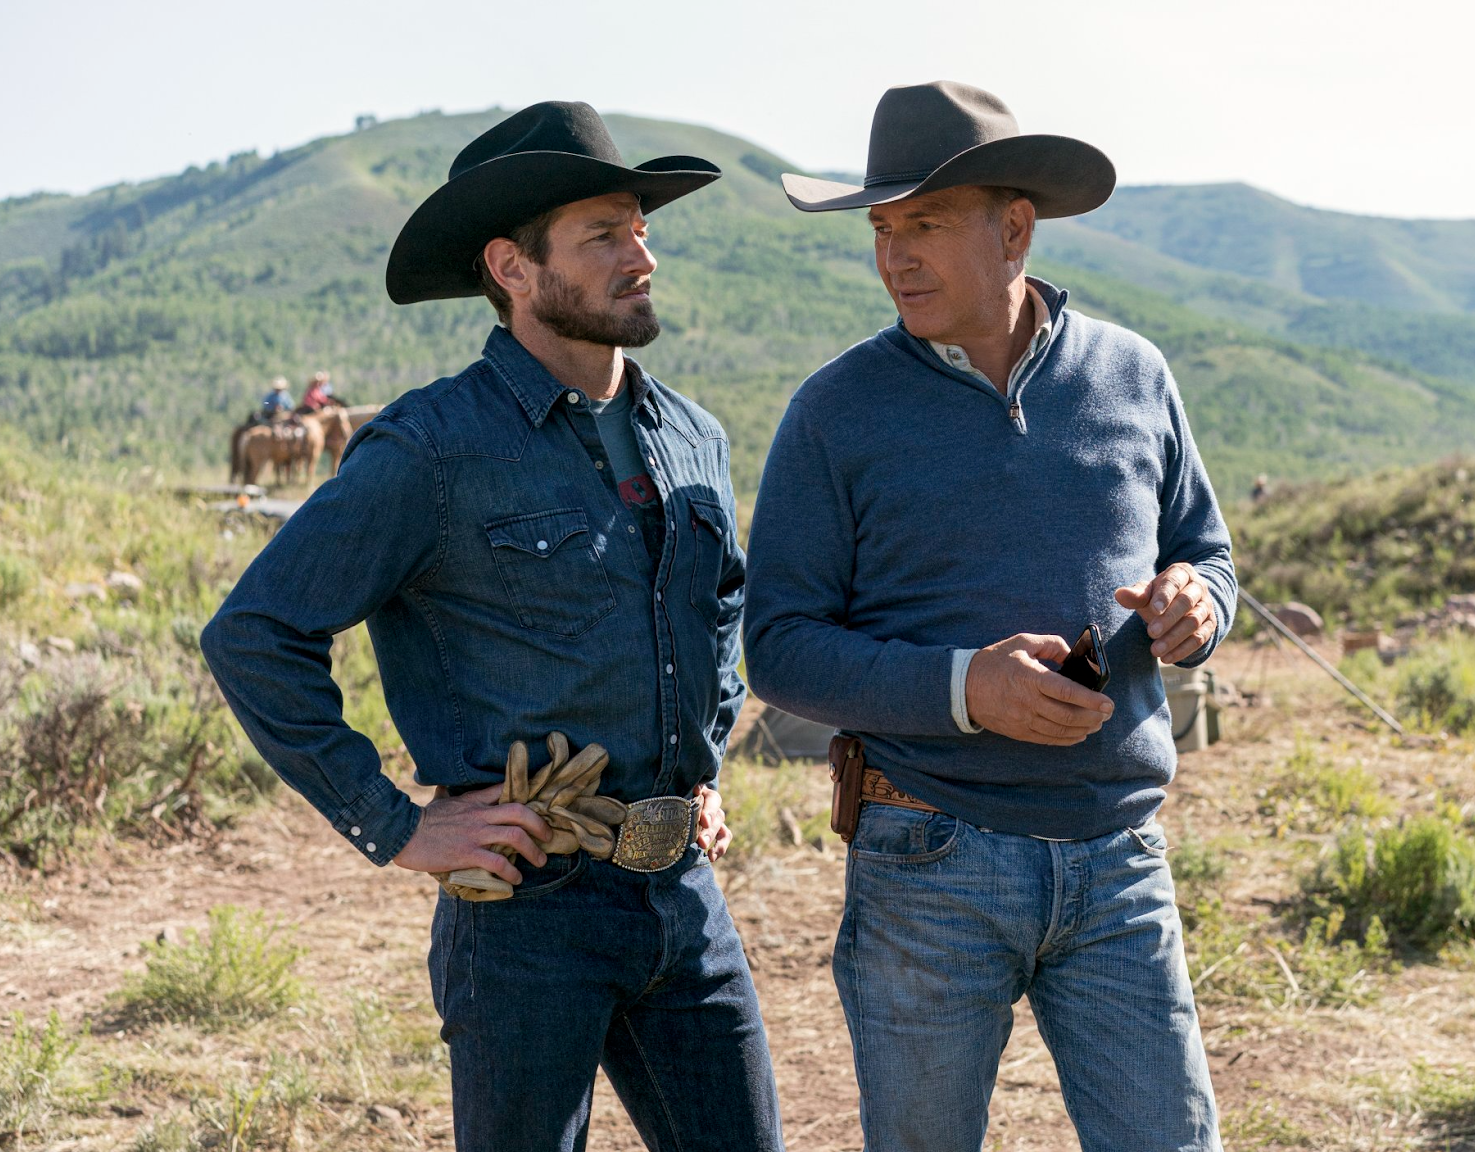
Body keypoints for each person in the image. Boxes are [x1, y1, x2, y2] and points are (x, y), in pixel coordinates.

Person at [199, 102, 782, 1152]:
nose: (641, 255)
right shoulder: (431, 448)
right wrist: (398, 827)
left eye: (641, 228)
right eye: (603, 235)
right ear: (513, 267)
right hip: (525, 912)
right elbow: (254, 633)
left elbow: (722, 605)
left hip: (684, 897)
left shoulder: (695, 437)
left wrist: (702, 762)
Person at [745, 81, 1237, 1152]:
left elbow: (1206, 551)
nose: (895, 257)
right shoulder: (834, 411)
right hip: (927, 858)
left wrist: (1196, 607)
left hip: (1119, 857)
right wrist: (968, 688)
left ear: (1014, 229)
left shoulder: (1133, 373)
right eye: (882, 230)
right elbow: (775, 647)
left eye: (923, 224)